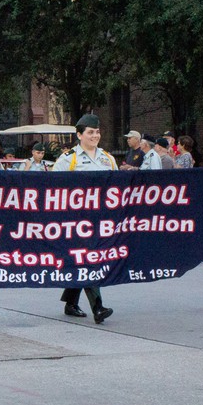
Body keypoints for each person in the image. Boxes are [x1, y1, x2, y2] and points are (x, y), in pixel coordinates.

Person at [52, 113, 116, 324]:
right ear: (79, 135)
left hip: (100, 220)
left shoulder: (108, 158)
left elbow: (117, 188)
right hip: (76, 221)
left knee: (84, 259)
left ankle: (70, 300)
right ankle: (97, 307)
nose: (95, 136)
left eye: (97, 132)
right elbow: (52, 189)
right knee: (89, 259)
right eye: (90, 132)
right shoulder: (68, 159)